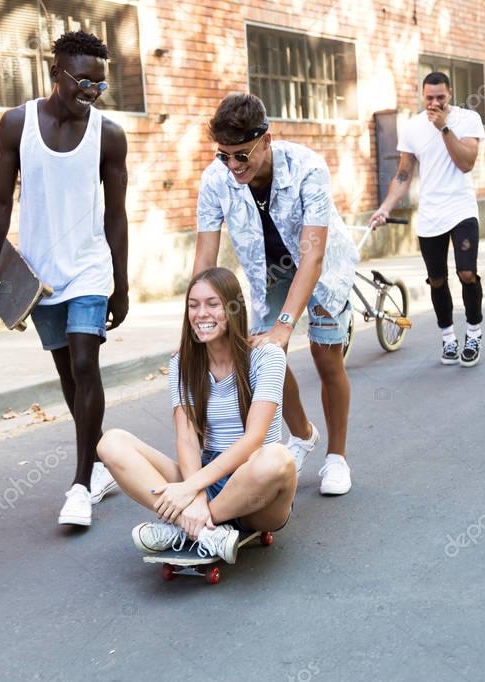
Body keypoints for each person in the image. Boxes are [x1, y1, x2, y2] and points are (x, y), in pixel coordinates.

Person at [0, 31, 129, 526]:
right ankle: (102, 460)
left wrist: (121, 284)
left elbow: (116, 216)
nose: (90, 92)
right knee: (68, 374)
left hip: (88, 268)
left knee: (86, 363)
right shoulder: (16, 125)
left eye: (99, 85)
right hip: (40, 276)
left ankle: (81, 484)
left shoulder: (108, 135)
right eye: (82, 82)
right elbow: (0, 202)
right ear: (55, 73)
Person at [193, 93, 359, 496]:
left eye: (241, 155)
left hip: (321, 269)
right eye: (224, 156)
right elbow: (205, 255)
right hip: (267, 274)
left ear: (266, 140)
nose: (232, 166)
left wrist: (286, 325)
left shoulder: (307, 167)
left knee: (325, 355)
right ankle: (302, 434)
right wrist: (195, 314)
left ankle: (336, 456)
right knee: (265, 355)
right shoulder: (216, 178)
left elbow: (313, 253)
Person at [97, 267, 296, 562]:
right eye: (193, 305)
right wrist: (198, 494)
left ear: (232, 308)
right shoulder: (183, 364)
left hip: (256, 489)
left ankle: (185, 527)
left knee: (277, 458)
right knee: (111, 442)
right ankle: (204, 531)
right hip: (206, 476)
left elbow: (254, 440)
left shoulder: (266, 356)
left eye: (212, 304)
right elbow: (188, 440)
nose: (201, 313)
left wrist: (188, 490)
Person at [370, 72, 485, 367]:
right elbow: (404, 173)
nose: (434, 103)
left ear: (450, 94)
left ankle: (473, 332)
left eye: (441, 98)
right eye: (429, 98)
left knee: (466, 274)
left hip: (461, 210)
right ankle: (448, 338)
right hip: (431, 214)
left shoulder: (467, 119)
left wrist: (444, 128)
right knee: (436, 280)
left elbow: (466, 163)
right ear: (423, 96)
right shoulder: (412, 128)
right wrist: (385, 207)